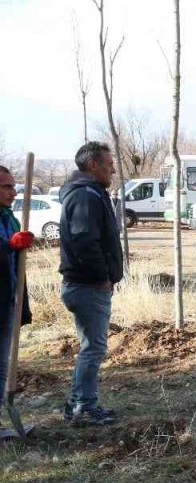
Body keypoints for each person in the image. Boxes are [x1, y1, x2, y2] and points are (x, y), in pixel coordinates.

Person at [58, 141, 124, 425]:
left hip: (83, 284)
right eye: (109, 164)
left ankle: (76, 402)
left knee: (90, 346)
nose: (113, 169)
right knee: (93, 348)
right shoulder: (86, 195)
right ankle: (84, 406)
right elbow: (84, 240)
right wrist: (102, 278)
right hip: (88, 286)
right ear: (93, 165)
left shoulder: (89, 193)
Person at [0, 165, 34, 440]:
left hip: (6, 299)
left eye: (13, 186)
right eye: (6, 187)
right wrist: (8, 245)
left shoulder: (9, 218)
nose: (13, 192)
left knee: (1, 364)